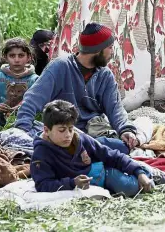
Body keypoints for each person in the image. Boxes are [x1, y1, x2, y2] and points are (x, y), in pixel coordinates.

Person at [14, 22, 138, 153]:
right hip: (63, 133)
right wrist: (22, 131)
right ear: (98, 50)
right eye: (110, 47)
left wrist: (126, 130)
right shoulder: (60, 67)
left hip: (93, 133)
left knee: (121, 145)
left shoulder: (105, 75)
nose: (112, 52)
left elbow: (115, 109)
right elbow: (32, 100)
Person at [31, 100, 154, 196]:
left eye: (70, 129)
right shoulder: (41, 153)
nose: (68, 135)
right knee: (129, 187)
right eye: (62, 130)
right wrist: (72, 183)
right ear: (46, 130)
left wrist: (139, 173)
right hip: (94, 178)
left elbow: (112, 155)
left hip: (102, 168)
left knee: (130, 179)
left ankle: (147, 172)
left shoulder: (80, 139)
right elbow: (43, 184)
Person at [0, 38, 38, 130]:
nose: (17, 60)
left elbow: (38, 106)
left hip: (26, 127)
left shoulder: (35, 80)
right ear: (5, 57)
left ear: (29, 57)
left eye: (21, 55)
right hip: (0, 128)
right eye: (12, 56)